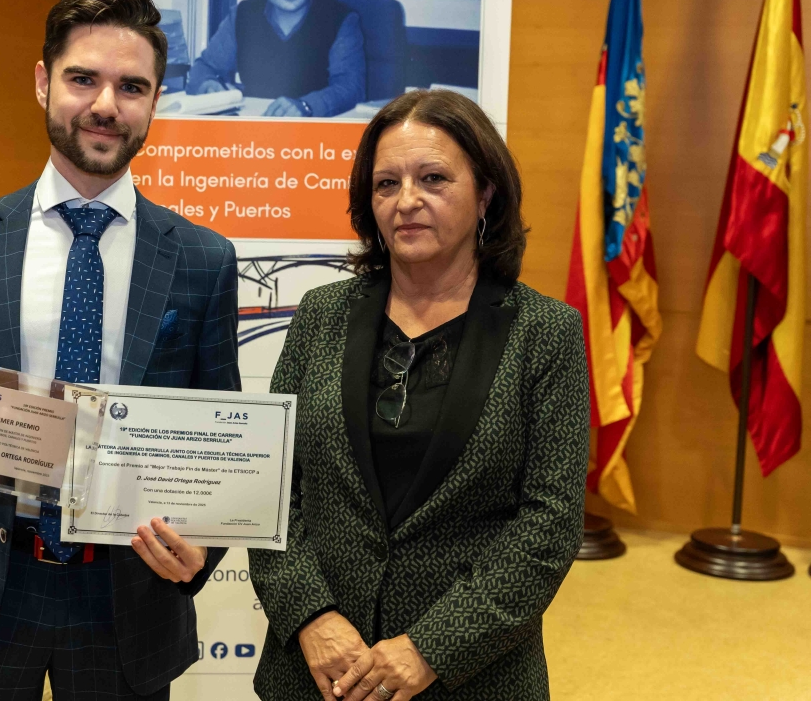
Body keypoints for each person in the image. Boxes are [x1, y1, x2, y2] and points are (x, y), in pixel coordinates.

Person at [0, 0, 239, 700]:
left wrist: (203, 545)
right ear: (42, 84)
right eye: (83, 78)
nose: (106, 105)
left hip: (126, 598)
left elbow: (216, 436)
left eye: (132, 86)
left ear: (156, 101)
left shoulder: (202, 259)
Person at [248, 89, 589, 701]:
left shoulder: (548, 334)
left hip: (471, 675)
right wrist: (310, 616)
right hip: (316, 671)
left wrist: (431, 648)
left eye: (434, 178)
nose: (407, 201)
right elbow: (268, 486)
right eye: (386, 184)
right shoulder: (321, 315)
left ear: (486, 192)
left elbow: (550, 525)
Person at [187, 0, 366, 117]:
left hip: (316, 132)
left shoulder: (342, 18)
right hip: (253, 128)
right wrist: (208, 85)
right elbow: (204, 67)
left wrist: (306, 106)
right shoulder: (242, 14)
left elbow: (351, 87)